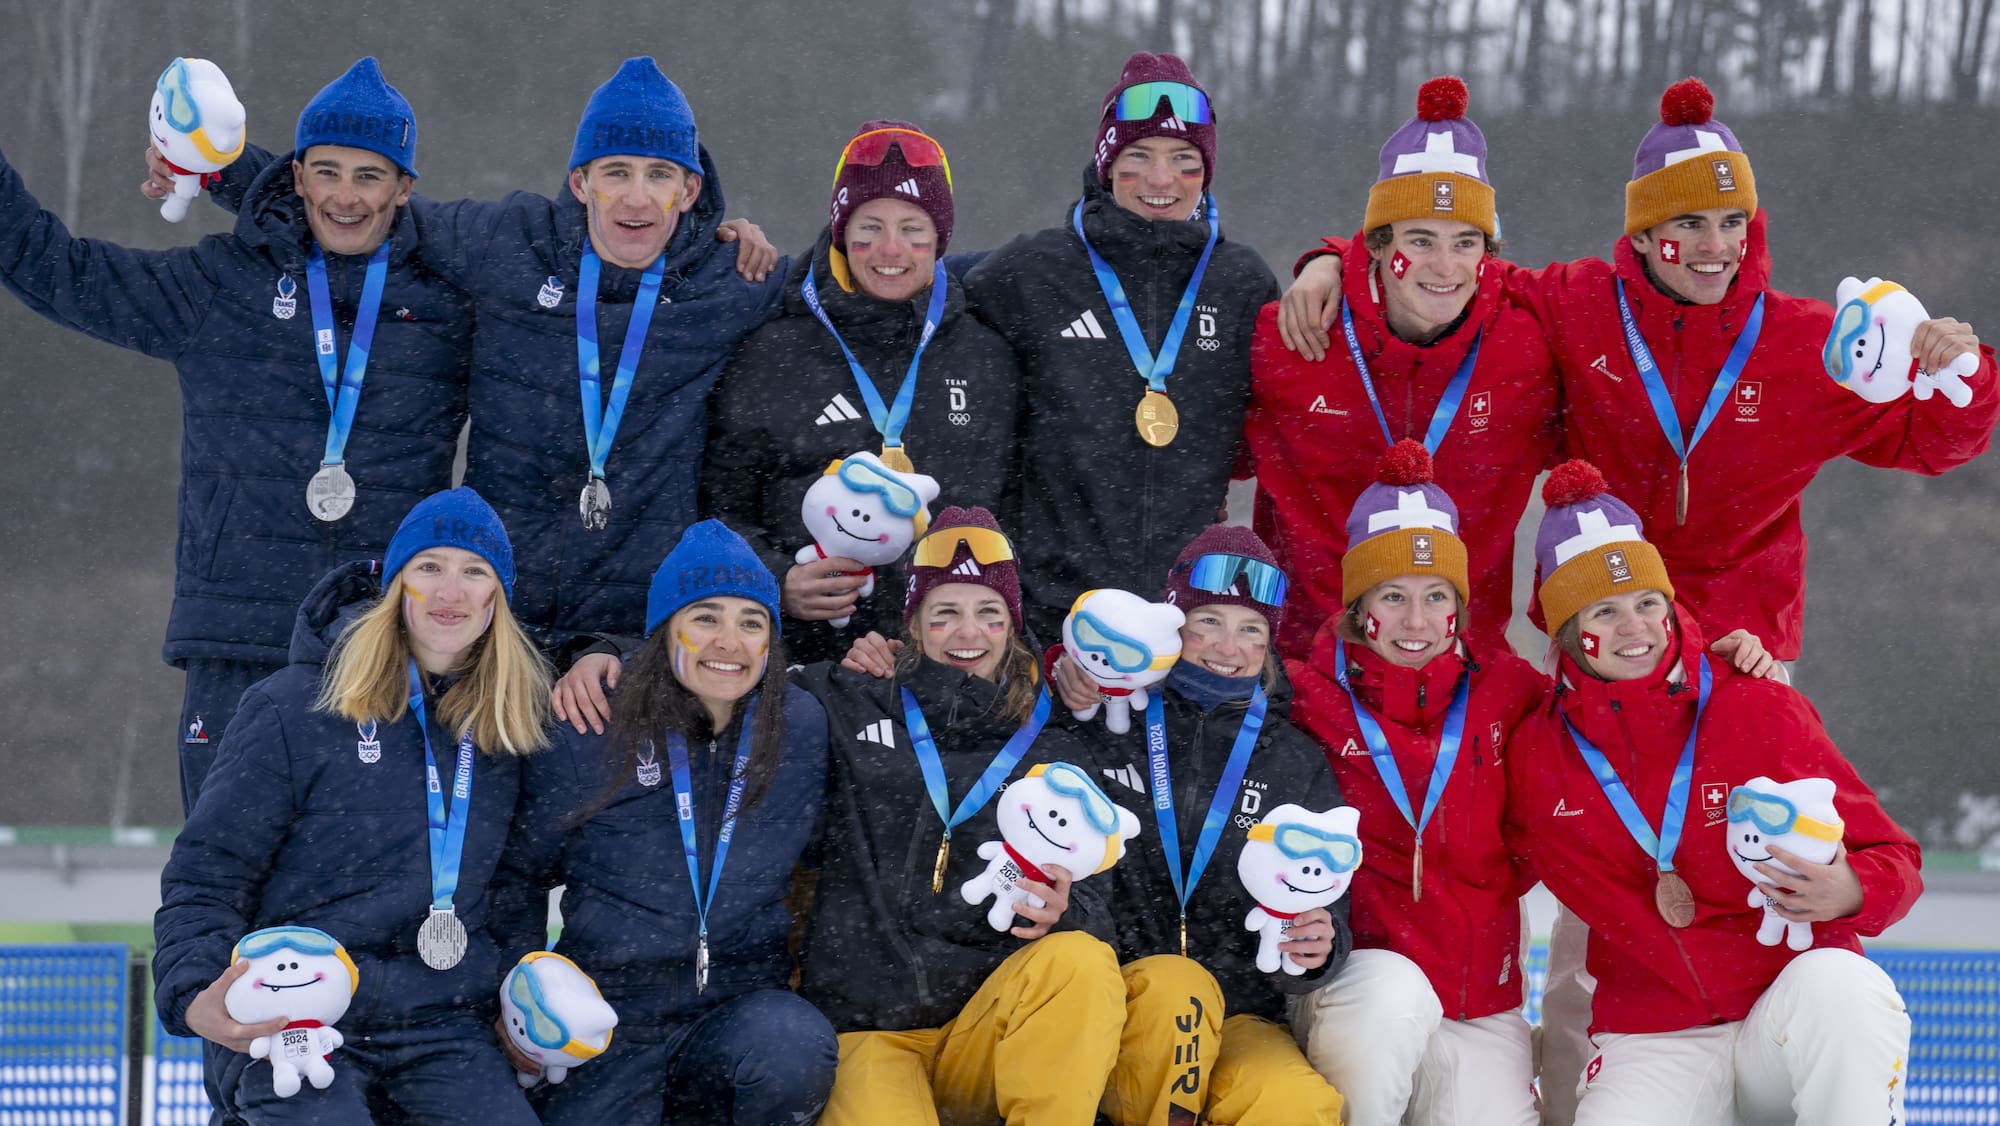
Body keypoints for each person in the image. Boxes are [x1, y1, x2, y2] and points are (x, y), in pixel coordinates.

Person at [1273, 76, 1996, 667]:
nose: (1716, 246)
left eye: (1731, 222)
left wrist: (1962, 371)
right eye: (1688, 224)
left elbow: (1931, 442)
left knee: (1735, 830)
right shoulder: (1578, 303)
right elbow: (1458, 273)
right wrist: (1335, 259)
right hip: (1591, 613)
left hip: (1743, 639)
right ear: (1644, 236)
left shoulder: (1805, 342)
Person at [197, 56, 788, 659]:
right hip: (497, 615)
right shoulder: (511, 242)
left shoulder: (732, 279)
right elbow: (363, 210)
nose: (637, 197)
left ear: (688, 190)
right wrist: (207, 167)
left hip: (630, 626)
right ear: (582, 183)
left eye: (660, 175)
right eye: (617, 172)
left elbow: (851, 288)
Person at [0, 57, 469, 812]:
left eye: (370, 176)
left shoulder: (453, 305)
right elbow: (60, 270)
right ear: (297, 178)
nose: (345, 196)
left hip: (386, 642)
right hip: (236, 639)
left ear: (404, 188)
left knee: (371, 891)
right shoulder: (221, 283)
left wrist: (728, 248)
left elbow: (579, 276)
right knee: (225, 880)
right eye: (327, 172)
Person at [1502, 460, 1921, 1125]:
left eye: (1647, 603)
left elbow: (1893, 853)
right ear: (1565, 635)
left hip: (1782, 1008)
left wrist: (1857, 889)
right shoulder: (1535, 756)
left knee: (1844, 990)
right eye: (1603, 612)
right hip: (1657, 1037)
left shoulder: (1755, 706)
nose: (1634, 627)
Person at [153, 487, 552, 1123]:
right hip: (295, 1009)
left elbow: (511, 893)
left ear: (496, 601)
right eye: (429, 568)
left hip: (439, 1025)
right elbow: (207, 875)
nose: (451, 592)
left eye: (474, 572)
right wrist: (193, 989)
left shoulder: (507, 728)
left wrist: (516, 1005)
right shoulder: (291, 706)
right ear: (396, 587)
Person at [491, 520, 836, 1124]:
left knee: (792, 1048)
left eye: (751, 623)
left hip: (739, 1000)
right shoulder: (591, 724)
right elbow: (516, 877)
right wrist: (518, 1000)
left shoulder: (800, 725)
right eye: (704, 618)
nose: (728, 641)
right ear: (662, 632)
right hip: (608, 1009)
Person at [797, 507, 1129, 1124]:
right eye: (943, 613)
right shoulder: (852, 699)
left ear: (1012, 627)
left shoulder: (1052, 744)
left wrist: (1069, 909)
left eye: (989, 613)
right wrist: (606, 652)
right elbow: (732, 675)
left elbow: (1100, 906)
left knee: (1080, 958)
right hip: (874, 1030)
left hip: (990, 1029)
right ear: (913, 627)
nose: (966, 632)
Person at [964, 51, 1280, 646]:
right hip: (1048, 608)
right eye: (1139, 157)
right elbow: (907, 288)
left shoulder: (1242, 282)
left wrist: (1330, 266)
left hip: (1190, 622)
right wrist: (761, 272)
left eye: (1184, 160)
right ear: (1107, 164)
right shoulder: (1034, 271)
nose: (1162, 181)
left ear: (1207, 171)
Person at [1243, 77, 1559, 660]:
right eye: (1421, 239)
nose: (1445, 266)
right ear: (1381, 245)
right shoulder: (1293, 334)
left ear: (1489, 256)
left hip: (1462, 678)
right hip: (1308, 666)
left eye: (1466, 243)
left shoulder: (1526, 351)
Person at [1282, 442, 1549, 1126]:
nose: (1416, 621)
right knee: (1389, 1003)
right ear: (1357, 602)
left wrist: (1716, 659)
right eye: (1392, 597)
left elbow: (1620, 703)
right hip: (1358, 976)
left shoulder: (1507, 691)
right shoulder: (1301, 693)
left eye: (1436, 597)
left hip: (1477, 995)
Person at [1057, 525, 1348, 1125]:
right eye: (1208, 621)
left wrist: (1321, 944)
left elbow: (1327, 895)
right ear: (1173, 624)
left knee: (1298, 1106)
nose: (1228, 646)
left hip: (1241, 1007)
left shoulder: (1292, 757)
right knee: (1173, 990)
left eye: (1251, 630)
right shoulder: (1109, 721)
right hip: (1124, 997)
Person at [701, 119, 1018, 667]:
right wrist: (777, 581)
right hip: (806, 662)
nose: (890, 249)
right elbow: (719, 506)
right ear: (842, 230)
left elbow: (1015, 509)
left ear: (941, 237)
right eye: (869, 226)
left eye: (914, 229)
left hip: (949, 660)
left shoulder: (986, 355)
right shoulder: (776, 349)